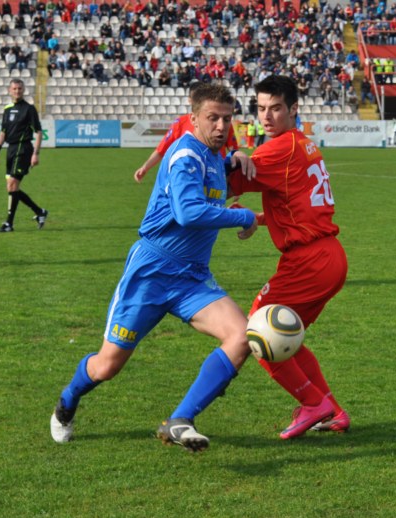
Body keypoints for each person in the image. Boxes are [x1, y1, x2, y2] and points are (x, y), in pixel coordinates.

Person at [49, 84, 259, 452]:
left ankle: (180, 419)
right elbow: (189, 213)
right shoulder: (184, 156)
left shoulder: (213, 156)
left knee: (242, 336)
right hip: (151, 273)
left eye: (228, 119)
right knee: (107, 367)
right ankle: (67, 401)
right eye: (213, 118)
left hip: (192, 277)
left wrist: (234, 157)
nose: (222, 126)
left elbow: (213, 180)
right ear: (192, 119)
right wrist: (242, 216)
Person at [228, 75, 350, 439]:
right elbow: (296, 202)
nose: (266, 116)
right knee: (287, 339)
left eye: (276, 108)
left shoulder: (278, 148)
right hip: (328, 256)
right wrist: (258, 218)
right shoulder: (303, 144)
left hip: (309, 261)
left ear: (294, 109)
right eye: (261, 108)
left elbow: (222, 181)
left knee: (258, 332)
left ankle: (314, 404)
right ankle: (335, 411)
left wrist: (230, 158)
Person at [132, 82, 238, 183]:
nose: (220, 125)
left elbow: (233, 149)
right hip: (191, 175)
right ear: (190, 100)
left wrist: (237, 164)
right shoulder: (180, 125)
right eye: (212, 118)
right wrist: (145, 167)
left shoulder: (223, 123)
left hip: (217, 177)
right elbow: (161, 150)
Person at [0, 79, 48, 233]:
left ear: (23, 90)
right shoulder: (7, 109)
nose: (17, 91)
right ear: (9, 90)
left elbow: (38, 132)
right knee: (12, 188)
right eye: (14, 88)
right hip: (10, 149)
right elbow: (3, 132)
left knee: (12, 185)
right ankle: (39, 212)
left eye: (20, 88)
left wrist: (36, 154)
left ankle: (9, 223)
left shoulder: (29, 109)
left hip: (23, 149)